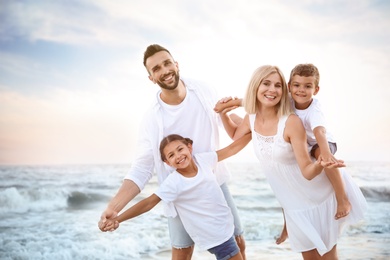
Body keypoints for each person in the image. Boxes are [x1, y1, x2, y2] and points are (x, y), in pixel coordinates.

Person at [98, 44, 247, 260]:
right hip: (180, 195)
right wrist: (114, 208)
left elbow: (230, 126)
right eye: (156, 68)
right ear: (151, 78)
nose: (165, 70)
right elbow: (141, 169)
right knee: (182, 252)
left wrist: (256, 124)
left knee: (238, 243)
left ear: (176, 64)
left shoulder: (203, 90)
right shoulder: (152, 119)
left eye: (167, 63)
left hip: (213, 182)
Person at [215, 65, 367, 259]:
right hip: (294, 204)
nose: (272, 89)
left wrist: (322, 161)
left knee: (328, 257)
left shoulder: (292, 121)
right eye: (266, 83)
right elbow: (237, 135)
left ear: (283, 90)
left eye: (277, 85)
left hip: (317, 195)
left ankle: (342, 198)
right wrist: (224, 113)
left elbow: (311, 158)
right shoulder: (251, 116)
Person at [104, 133, 251, 260]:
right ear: (167, 162)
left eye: (180, 149)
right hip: (217, 238)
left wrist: (254, 133)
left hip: (225, 229)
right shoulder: (174, 183)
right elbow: (148, 203)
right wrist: (118, 219)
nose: (178, 156)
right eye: (171, 155)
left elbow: (232, 149)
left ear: (189, 147)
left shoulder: (203, 160)